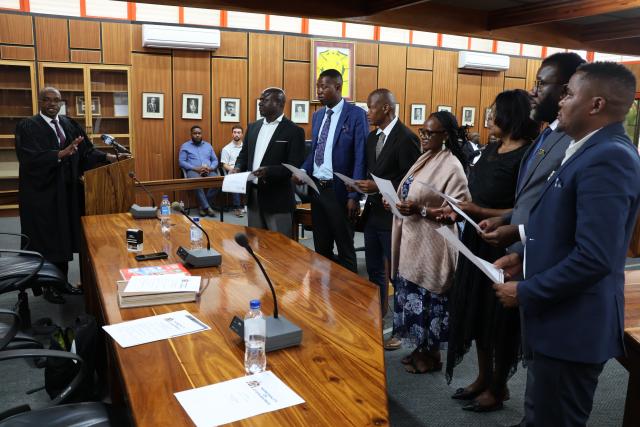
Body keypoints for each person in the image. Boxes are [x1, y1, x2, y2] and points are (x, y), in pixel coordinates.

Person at [494, 62, 640, 426]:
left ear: (595, 104)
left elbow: (596, 258)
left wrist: (526, 291)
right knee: (542, 413)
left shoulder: (610, 157)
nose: (561, 100)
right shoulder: (586, 147)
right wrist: (523, 259)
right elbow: (561, 227)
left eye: (570, 93)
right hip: (556, 319)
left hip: (572, 325)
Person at [477, 52, 585, 425]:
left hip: (550, 273)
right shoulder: (551, 135)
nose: (533, 91)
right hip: (524, 252)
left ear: (573, 88)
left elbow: (586, 243)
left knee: (555, 396)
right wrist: (510, 223)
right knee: (538, 387)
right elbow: (530, 201)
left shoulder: (596, 151)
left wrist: (520, 236)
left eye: (543, 83)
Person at [443, 89, 538, 413]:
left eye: (493, 110)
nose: (487, 115)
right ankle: (483, 378)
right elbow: (478, 190)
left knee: (498, 320)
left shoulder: (527, 153)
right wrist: (462, 209)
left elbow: (524, 207)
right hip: (475, 238)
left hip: (502, 242)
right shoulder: (493, 147)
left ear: (510, 114)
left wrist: (479, 210)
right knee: (476, 312)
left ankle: (498, 387)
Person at [15, 87, 121, 303]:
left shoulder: (68, 124)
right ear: (40, 102)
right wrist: (59, 154)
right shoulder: (28, 126)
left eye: (56, 100)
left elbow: (86, 152)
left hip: (69, 193)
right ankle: (49, 286)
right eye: (47, 100)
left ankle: (62, 283)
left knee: (65, 237)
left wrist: (109, 157)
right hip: (43, 195)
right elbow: (28, 159)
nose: (52, 104)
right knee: (49, 239)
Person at [386, 110, 470, 373]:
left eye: (429, 133)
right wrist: (395, 202)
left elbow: (459, 211)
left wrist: (421, 210)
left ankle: (431, 357)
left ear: (444, 135)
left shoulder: (452, 165)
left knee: (429, 300)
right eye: (422, 131)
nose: (422, 136)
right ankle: (418, 349)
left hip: (433, 246)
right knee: (411, 295)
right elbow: (410, 192)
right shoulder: (426, 158)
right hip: (413, 241)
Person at [351, 88, 420, 320]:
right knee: (374, 271)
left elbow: (411, 180)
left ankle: (400, 327)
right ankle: (377, 319)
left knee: (396, 276)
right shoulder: (372, 137)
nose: (367, 112)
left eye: (370, 107)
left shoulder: (407, 138)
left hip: (394, 217)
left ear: (386, 108)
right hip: (372, 214)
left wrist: (377, 187)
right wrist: (361, 185)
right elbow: (374, 174)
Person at [294, 69, 367, 272]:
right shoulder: (318, 116)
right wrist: (302, 170)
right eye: (318, 86)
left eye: (324, 86)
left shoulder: (356, 115)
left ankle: (349, 299)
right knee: (321, 247)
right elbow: (316, 151)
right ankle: (324, 298)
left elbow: (361, 156)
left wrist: (354, 194)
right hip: (317, 189)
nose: (319, 90)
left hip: (341, 192)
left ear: (338, 87)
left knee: (345, 249)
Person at [234, 87, 305, 237]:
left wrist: (269, 171)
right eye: (260, 100)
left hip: (277, 198)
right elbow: (244, 155)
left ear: (279, 103)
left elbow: (294, 166)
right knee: (255, 243)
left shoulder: (294, 131)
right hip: (253, 196)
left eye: (264, 100)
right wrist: (238, 167)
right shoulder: (253, 127)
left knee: (279, 247)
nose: (260, 104)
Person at [178, 126, 219, 217]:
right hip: (193, 171)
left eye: (199, 133)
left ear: (201, 134)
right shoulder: (185, 146)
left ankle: (202, 206)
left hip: (208, 170)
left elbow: (215, 160)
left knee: (217, 182)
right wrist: (195, 168)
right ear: (191, 134)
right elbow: (181, 162)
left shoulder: (208, 145)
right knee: (197, 182)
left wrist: (211, 168)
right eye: (195, 133)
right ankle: (207, 207)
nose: (197, 135)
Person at [220, 125, 245, 217]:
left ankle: (250, 205)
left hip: (245, 170)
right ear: (232, 134)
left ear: (242, 134)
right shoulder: (226, 149)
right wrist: (233, 170)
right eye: (234, 132)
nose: (236, 134)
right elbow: (224, 165)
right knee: (235, 178)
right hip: (232, 170)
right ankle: (237, 207)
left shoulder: (246, 147)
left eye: (238, 132)